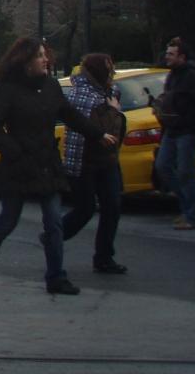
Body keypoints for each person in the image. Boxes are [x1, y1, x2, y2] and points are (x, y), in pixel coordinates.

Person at [0, 37, 115, 295]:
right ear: (25, 61)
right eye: (39, 55)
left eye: (45, 54)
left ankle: (56, 277)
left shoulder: (51, 86)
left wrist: (97, 134)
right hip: (18, 167)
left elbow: (70, 115)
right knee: (9, 219)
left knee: (54, 222)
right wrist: (14, 151)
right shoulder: (8, 90)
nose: (46, 59)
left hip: (47, 164)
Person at [60, 53, 128, 274]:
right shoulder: (82, 95)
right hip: (83, 160)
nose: (112, 73)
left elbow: (115, 131)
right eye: (108, 68)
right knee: (85, 209)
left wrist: (114, 112)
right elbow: (98, 130)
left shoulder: (110, 92)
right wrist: (114, 111)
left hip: (107, 159)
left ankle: (104, 257)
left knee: (112, 207)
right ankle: (54, 236)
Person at [153, 37, 195, 230]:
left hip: (187, 130)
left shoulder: (191, 76)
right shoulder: (172, 75)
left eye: (171, 54)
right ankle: (189, 204)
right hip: (171, 129)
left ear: (182, 57)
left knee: (186, 173)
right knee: (163, 166)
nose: (167, 57)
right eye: (167, 53)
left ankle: (191, 216)